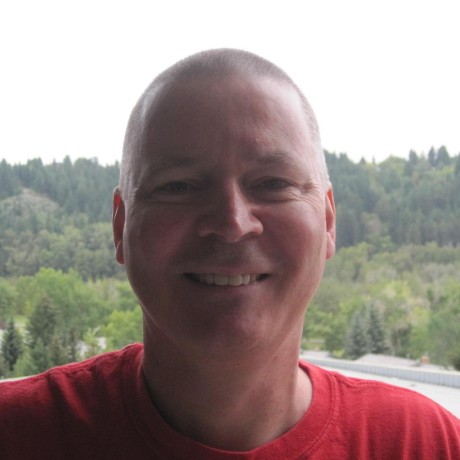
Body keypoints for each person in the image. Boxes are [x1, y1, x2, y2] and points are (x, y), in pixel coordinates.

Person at [0, 49, 459, 459]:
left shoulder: (425, 445)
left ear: (328, 220)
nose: (232, 223)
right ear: (121, 226)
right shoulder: (17, 435)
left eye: (273, 183)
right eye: (179, 187)